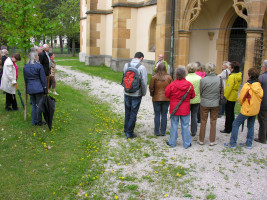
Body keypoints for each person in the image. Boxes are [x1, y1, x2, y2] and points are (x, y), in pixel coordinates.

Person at [224, 68, 263, 149]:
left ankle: (233, 143)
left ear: (249, 75)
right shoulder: (259, 85)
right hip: (255, 109)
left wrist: (242, 104)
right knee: (251, 125)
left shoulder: (247, 86)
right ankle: (249, 144)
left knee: (235, 124)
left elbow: (241, 98)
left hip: (247, 108)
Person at [165, 66, 195, 148]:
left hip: (175, 107)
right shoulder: (189, 85)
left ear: (176, 74)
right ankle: (187, 143)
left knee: (174, 125)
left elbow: (167, 94)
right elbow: (193, 95)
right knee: (185, 126)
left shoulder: (172, 84)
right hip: (185, 108)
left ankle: (172, 142)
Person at [123, 52, 147, 139]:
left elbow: (124, 77)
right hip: (136, 93)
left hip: (127, 92)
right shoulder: (142, 67)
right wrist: (143, 93)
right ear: (141, 58)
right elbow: (144, 82)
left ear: (134, 57)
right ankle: (129, 132)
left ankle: (126, 129)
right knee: (133, 113)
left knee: (127, 111)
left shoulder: (126, 65)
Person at [198, 62, 220, 146]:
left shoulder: (203, 80)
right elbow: (222, 91)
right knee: (213, 121)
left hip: (205, 102)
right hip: (215, 102)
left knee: (203, 121)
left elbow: (201, 91)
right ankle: (212, 140)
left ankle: (201, 140)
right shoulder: (219, 79)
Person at [23, 51, 48, 126]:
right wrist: (45, 88)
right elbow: (43, 79)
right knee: (39, 105)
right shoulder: (39, 66)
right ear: (36, 57)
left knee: (34, 105)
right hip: (38, 87)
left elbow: (25, 79)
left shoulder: (25, 67)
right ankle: (38, 121)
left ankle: (34, 121)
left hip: (30, 88)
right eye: (37, 56)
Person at [149, 62, 172, 136]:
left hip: (156, 98)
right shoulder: (169, 77)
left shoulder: (154, 77)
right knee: (164, 115)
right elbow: (171, 88)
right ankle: (163, 132)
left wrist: (153, 95)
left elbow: (151, 88)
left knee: (157, 114)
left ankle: (156, 131)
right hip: (166, 98)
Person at [220, 61, 242, 134]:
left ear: (232, 68)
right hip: (234, 95)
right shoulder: (238, 75)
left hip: (229, 96)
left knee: (228, 113)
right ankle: (232, 126)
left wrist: (225, 97)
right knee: (231, 112)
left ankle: (227, 128)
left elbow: (229, 88)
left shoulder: (232, 76)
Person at [185, 62, 201, 137]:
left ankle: (185, 130)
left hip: (187, 99)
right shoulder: (199, 78)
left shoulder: (186, 78)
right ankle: (194, 131)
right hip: (196, 99)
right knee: (194, 115)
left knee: (186, 115)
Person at [254, 60, 267, 144]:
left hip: (263, 102)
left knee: (262, 121)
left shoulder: (261, 78)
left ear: (265, 67)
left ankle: (262, 138)